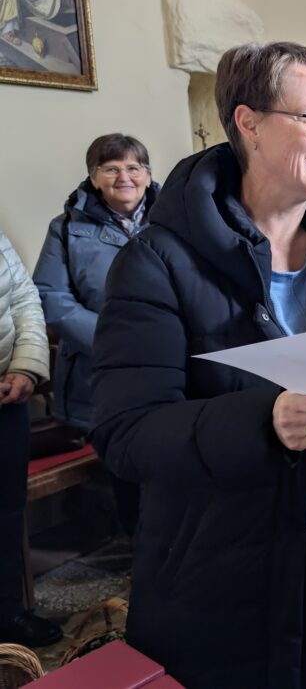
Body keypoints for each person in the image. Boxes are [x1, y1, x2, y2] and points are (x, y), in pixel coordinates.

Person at [90, 42, 306, 688]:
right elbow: (126, 432)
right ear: (248, 123)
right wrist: (264, 422)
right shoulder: (157, 261)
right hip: (223, 570)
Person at [33, 133, 158, 535]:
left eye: (134, 167)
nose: (125, 177)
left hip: (168, 361)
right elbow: (51, 296)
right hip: (101, 370)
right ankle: (139, 557)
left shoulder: (176, 219)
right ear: (93, 177)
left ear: (148, 174)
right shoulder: (66, 228)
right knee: (125, 471)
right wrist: (113, 342)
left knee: (173, 462)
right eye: (111, 168)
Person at [0, 229, 62, 648]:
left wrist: (24, 367)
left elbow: (23, 298)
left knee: (6, 512)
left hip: (7, 399)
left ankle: (8, 613)